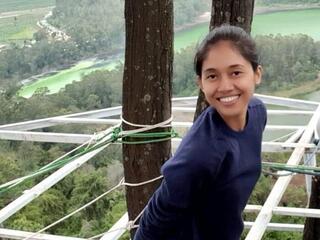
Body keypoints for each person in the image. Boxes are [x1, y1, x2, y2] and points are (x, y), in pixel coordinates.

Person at [133, 25, 267, 240]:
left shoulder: (258, 113)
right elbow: (158, 215)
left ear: (256, 74)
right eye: (212, 76)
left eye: (236, 72)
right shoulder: (199, 155)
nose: (225, 86)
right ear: (201, 83)